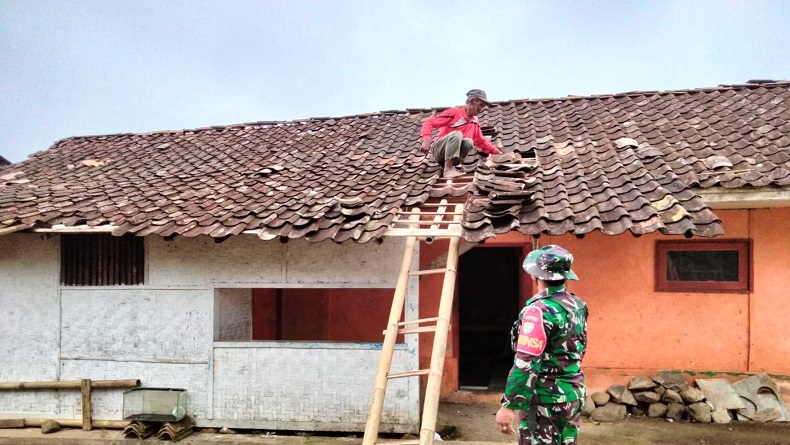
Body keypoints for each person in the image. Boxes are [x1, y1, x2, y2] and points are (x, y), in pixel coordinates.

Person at [495, 245, 588, 445]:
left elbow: (526, 363)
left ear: (535, 276)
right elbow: (578, 348)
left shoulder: (538, 311)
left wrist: (509, 406)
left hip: (545, 401)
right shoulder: (577, 305)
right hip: (573, 394)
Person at [419, 89, 502, 178]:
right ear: (472, 101)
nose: (481, 109)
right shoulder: (455, 112)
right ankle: (448, 169)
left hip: (454, 156)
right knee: (458, 134)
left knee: (468, 141)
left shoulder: (475, 121)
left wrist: (498, 153)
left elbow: (481, 142)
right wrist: (426, 140)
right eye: (480, 105)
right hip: (439, 152)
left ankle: (452, 164)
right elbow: (429, 123)